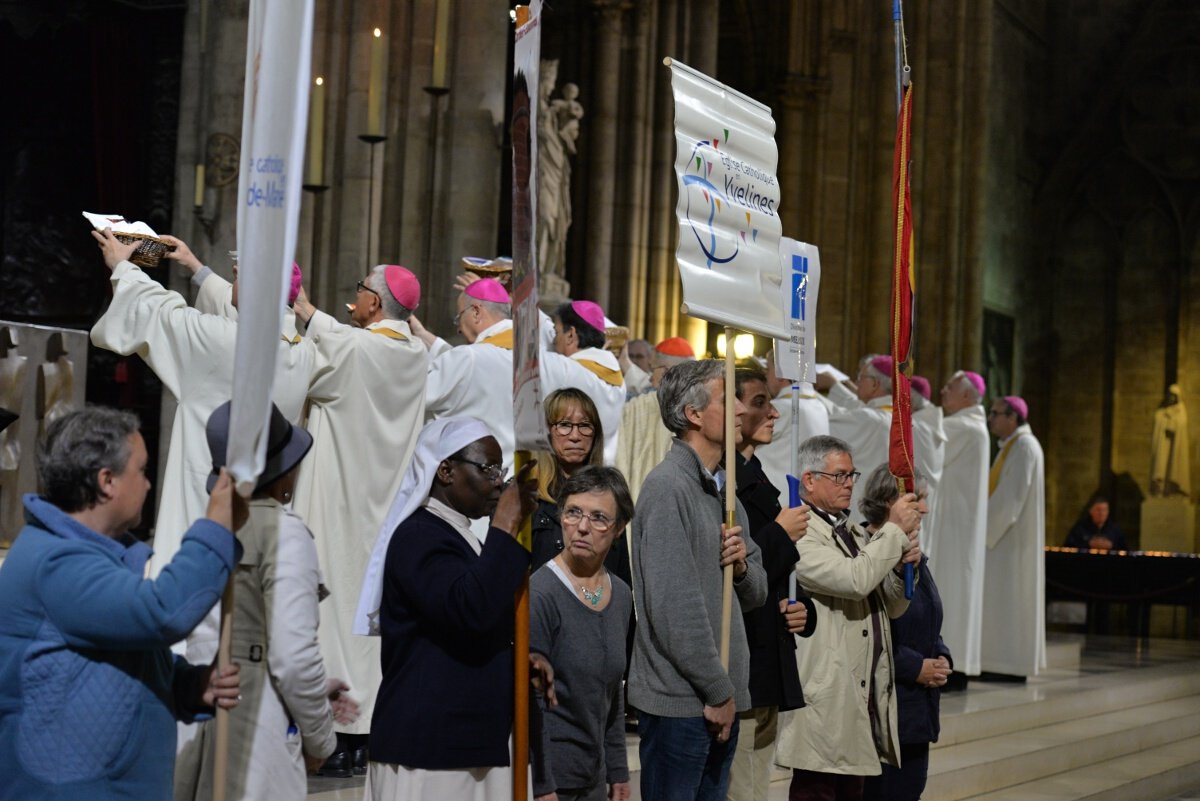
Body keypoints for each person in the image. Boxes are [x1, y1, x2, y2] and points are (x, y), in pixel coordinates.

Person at [0, 406, 243, 801]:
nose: (148, 485)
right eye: (143, 471)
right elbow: (163, 612)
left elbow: (124, 657)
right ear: (106, 481)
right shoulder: (54, 562)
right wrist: (215, 527)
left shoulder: (87, 556)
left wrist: (191, 686)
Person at [88, 230, 313, 637]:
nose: (231, 284)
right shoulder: (303, 351)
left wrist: (122, 266)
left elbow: (160, 312)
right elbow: (244, 320)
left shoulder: (223, 343)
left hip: (205, 495)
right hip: (257, 505)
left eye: (239, 277)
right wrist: (194, 266)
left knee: (191, 606)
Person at [353, 417, 545, 800]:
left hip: (468, 736)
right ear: (445, 470)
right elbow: (468, 610)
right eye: (487, 468)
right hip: (432, 743)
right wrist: (505, 525)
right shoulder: (418, 536)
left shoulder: (459, 536)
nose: (497, 481)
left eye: (500, 469)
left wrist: (521, 656)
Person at [183, 402, 360, 801]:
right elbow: (292, 658)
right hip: (257, 730)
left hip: (203, 721)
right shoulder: (284, 533)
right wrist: (321, 740)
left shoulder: (207, 528)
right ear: (283, 473)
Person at [290, 264, 428, 773]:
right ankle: (367, 730)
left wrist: (299, 304)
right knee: (370, 617)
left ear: (375, 302)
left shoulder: (357, 348)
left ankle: (333, 736)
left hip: (339, 500)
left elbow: (312, 354)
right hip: (387, 506)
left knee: (332, 609)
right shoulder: (416, 355)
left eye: (361, 289)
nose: (355, 297)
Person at [627, 359, 768, 801]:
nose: (744, 411)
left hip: (716, 696)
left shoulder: (724, 492)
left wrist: (742, 567)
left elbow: (758, 591)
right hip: (683, 702)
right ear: (693, 414)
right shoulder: (668, 487)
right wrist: (718, 688)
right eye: (730, 401)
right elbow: (674, 608)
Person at [774, 435, 923, 801]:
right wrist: (893, 531)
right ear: (809, 480)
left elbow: (892, 606)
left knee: (851, 791)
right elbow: (853, 580)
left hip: (859, 690)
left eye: (852, 475)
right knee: (817, 790)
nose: (850, 484)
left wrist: (904, 569)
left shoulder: (851, 531)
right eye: (839, 476)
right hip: (826, 691)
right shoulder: (803, 533)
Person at [728, 367, 817, 801]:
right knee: (740, 787)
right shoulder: (723, 485)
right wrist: (781, 533)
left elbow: (777, 577)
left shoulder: (757, 477)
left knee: (756, 784)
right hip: (740, 659)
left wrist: (802, 609)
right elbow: (728, 568)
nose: (774, 413)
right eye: (761, 402)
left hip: (768, 654)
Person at [531, 466, 635, 801]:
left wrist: (618, 770)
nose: (583, 527)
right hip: (552, 780)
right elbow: (532, 703)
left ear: (618, 528)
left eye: (599, 517)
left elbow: (612, 692)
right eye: (573, 512)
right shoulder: (541, 593)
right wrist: (542, 785)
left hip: (594, 776)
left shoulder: (619, 594)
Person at [858, 464, 951, 801]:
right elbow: (867, 632)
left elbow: (928, 622)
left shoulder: (914, 555)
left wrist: (941, 656)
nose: (924, 508)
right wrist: (916, 667)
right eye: (917, 499)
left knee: (909, 790)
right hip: (883, 709)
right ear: (889, 503)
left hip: (915, 711)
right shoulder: (866, 554)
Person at [410, 278, 517, 472]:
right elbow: (469, 369)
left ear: (476, 312)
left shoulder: (468, 359)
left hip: (476, 478)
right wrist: (421, 333)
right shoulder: (534, 357)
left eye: (459, 317)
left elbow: (412, 397)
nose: (458, 328)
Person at [530, 388, 628, 587]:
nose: (575, 436)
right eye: (564, 425)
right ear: (546, 432)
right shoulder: (523, 495)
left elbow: (620, 577)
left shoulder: (609, 497)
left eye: (584, 426)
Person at [928, 370, 989, 680]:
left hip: (954, 527)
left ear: (966, 396)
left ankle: (952, 663)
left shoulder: (965, 426)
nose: (942, 391)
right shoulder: (972, 425)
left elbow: (926, 435)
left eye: (949, 387)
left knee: (951, 589)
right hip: (956, 524)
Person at [982, 395, 1046, 679]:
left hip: (1011, 540)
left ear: (1013, 418)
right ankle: (998, 661)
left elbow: (1010, 499)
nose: (991, 418)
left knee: (1010, 597)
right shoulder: (1011, 447)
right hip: (1003, 539)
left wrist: (982, 530)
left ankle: (1009, 665)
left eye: (996, 413)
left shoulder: (1024, 447)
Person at [540, 300, 626, 464]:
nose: (553, 340)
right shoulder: (618, 378)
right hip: (603, 468)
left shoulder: (567, 370)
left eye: (556, 332)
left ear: (571, 335)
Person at [615, 336, 695, 501]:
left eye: (653, 370)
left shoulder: (637, 405)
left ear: (666, 371)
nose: (650, 377)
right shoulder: (699, 408)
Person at [817, 355, 893, 517]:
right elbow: (852, 408)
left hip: (862, 506)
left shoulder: (871, 418)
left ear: (874, 384)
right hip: (883, 504)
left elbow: (821, 422)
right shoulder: (896, 416)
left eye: (861, 377)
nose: (857, 383)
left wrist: (804, 391)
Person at [756, 348, 830, 501]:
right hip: (805, 496)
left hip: (779, 499)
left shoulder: (781, 407)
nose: (765, 375)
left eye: (768, 369)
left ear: (781, 375)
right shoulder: (819, 406)